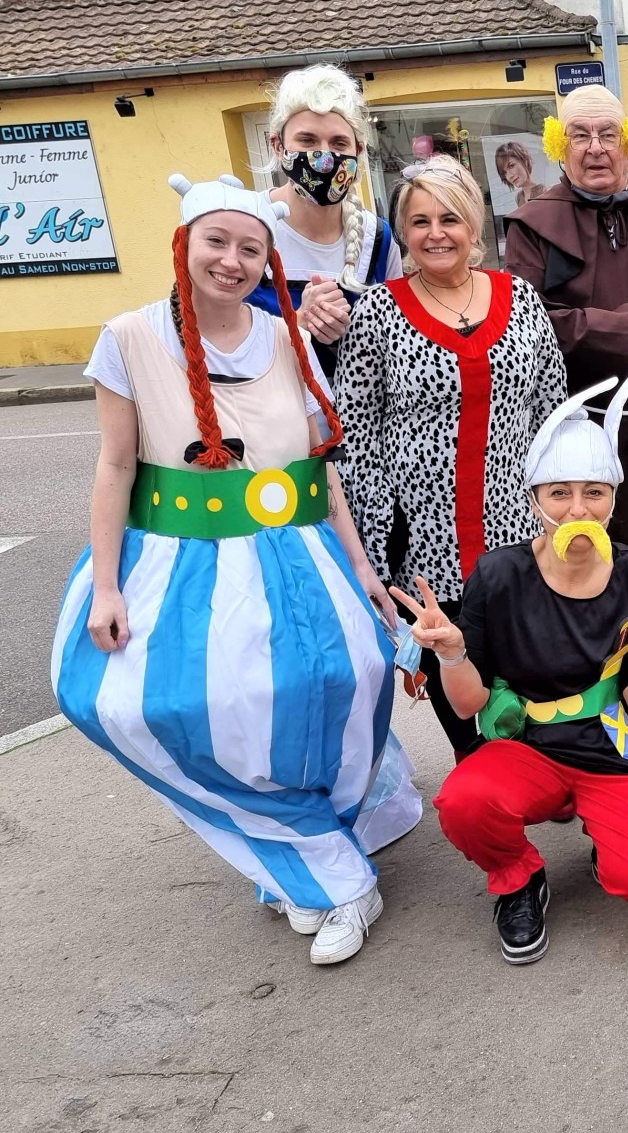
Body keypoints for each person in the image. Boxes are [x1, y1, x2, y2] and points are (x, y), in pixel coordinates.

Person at [53, 174, 423, 966]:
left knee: (340, 688)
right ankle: (335, 876)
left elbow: (320, 474)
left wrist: (361, 566)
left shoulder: (285, 339)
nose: (232, 261)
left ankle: (308, 851)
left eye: (250, 249)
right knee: (168, 708)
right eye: (217, 242)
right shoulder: (129, 337)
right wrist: (109, 585)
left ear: (268, 261)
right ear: (185, 245)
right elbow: (115, 466)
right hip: (181, 564)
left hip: (297, 555)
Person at [404, 361, 628, 965]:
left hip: (612, 743)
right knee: (464, 802)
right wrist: (454, 653)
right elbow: (469, 706)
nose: (577, 510)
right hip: (528, 746)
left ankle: (609, 833)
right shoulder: (498, 574)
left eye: (593, 493)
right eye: (559, 493)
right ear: (535, 498)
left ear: (613, 500)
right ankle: (517, 878)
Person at [336, 155, 567, 758]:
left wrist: (563, 511)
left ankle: (550, 781)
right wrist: (379, 547)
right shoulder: (377, 313)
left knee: (534, 676)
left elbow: (553, 414)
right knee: (457, 682)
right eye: (418, 221)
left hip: (520, 536)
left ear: (473, 226)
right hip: (426, 542)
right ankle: (487, 800)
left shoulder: (519, 298)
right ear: (403, 232)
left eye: (449, 218)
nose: (435, 233)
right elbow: (358, 439)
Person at [503, 84, 628, 557]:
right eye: (579, 135)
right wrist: (624, 331)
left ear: (627, 141)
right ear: (557, 145)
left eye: (607, 134)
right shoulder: (532, 225)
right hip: (579, 440)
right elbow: (527, 319)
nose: (595, 148)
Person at [250, 63, 403, 377]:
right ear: (278, 146)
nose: (324, 158)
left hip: (360, 421)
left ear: (358, 151)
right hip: (276, 420)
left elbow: (398, 339)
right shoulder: (246, 226)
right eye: (307, 141)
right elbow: (212, 340)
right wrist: (298, 325)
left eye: (338, 144)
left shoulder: (377, 238)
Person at [495, 140, 544, 207]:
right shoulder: (519, 197)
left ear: (525, 161)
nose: (509, 176)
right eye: (504, 173)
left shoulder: (546, 193)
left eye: (511, 166)